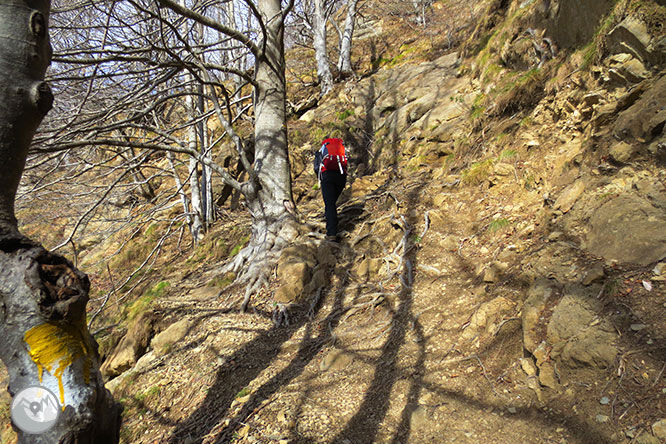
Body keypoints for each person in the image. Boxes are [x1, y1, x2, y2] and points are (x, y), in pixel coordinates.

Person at [314, 137, 348, 242]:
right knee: (332, 203)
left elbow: (316, 167)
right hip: (341, 176)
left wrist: (320, 178)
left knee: (329, 205)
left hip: (327, 176)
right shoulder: (341, 149)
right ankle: (334, 224)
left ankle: (331, 233)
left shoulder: (322, 150)